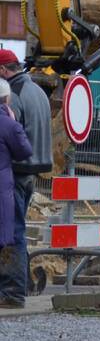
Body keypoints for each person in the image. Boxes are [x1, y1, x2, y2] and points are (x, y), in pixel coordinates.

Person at [0, 50, 50, 302]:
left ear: (2, 71)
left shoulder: (14, 96)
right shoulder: (38, 92)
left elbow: (9, 135)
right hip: (31, 171)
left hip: (15, 172)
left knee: (12, 232)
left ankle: (12, 292)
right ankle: (17, 285)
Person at [0, 79, 33, 308]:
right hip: (3, 188)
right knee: (9, 237)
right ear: (7, 99)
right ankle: (12, 293)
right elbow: (24, 152)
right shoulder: (8, 125)